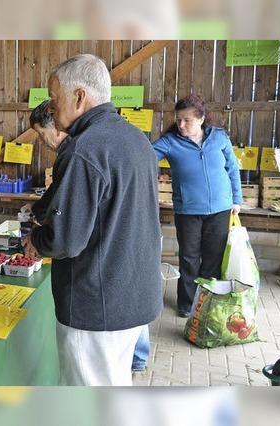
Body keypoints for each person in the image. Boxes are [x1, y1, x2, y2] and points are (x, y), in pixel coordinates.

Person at [22, 54, 162, 386]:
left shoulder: (85, 150)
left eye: (56, 99)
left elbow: (66, 240)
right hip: (132, 296)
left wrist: (36, 242)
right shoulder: (135, 139)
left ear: (80, 97)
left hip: (97, 306)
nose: (52, 109)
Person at [153, 94, 242, 318]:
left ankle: (208, 301)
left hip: (220, 209)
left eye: (187, 120)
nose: (181, 124)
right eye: (179, 119)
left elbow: (232, 169)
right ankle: (186, 305)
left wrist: (236, 199)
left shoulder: (219, 137)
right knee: (189, 258)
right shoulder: (170, 141)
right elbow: (145, 155)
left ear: (201, 119)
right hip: (188, 211)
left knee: (213, 258)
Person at [28, 99, 69, 223]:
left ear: (56, 127)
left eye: (41, 133)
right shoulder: (65, 152)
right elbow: (55, 189)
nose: (41, 140)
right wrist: (36, 211)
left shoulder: (72, 155)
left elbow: (62, 199)